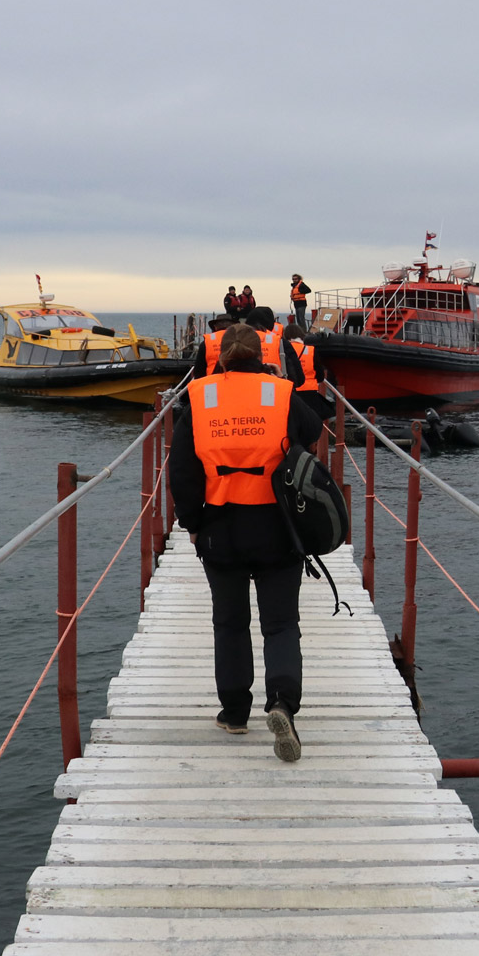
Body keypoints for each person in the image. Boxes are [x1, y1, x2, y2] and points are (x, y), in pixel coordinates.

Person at [170, 323, 324, 761]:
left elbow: (181, 471)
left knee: (230, 623)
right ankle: (281, 704)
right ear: (262, 355)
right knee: (280, 623)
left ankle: (235, 713)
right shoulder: (279, 392)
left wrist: (192, 523)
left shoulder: (198, 398)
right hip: (278, 527)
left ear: (220, 357)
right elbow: (313, 429)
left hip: (220, 529)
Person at [282, 319, 330, 426]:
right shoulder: (311, 350)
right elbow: (320, 375)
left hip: (291, 392)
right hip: (310, 393)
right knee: (310, 424)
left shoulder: (283, 350)